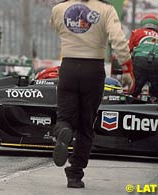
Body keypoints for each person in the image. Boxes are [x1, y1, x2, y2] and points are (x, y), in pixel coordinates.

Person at [50, 0, 135, 188]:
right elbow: (118, 40)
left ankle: (63, 130)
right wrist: (127, 67)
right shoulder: (106, 10)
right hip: (93, 69)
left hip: (69, 67)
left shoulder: (59, 9)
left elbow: (56, 27)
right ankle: (75, 175)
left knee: (64, 116)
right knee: (86, 126)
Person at [129, 14, 158, 99]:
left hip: (139, 61)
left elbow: (128, 50)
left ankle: (132, 101)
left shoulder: (136, 32)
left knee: (134, 90)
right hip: (157, 62)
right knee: (156, 93)